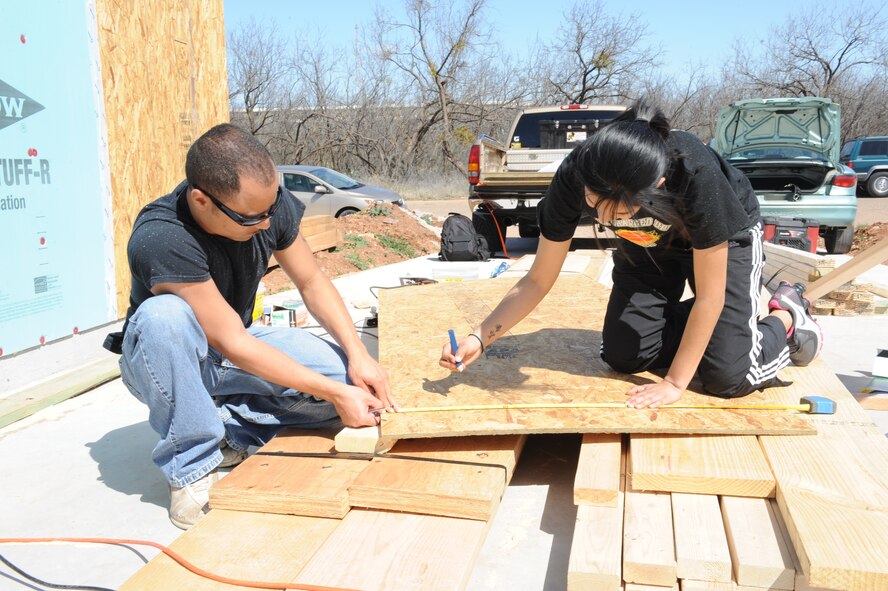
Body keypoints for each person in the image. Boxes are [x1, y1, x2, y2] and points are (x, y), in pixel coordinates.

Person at [440, 100, 822, 408]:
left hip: (723, 237)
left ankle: (786, 316)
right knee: (624, 356)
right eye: (595, 204)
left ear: (655, 185)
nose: (604, 218)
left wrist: (674, 383)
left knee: (728, 378)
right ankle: (723, 328)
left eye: (619, 212)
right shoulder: (575, 175)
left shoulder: (695, 173)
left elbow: (710, 294)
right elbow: (538, 279)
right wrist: (480, 337)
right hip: (649, 244)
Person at [115, 123, 393, 529]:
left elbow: (312, 281)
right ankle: (191, 466)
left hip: (238, 342)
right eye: (251, 218)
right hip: (174, 359)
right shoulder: (161, 236)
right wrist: (334, 391)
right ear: (201, 201)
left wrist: (358, 356)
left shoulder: (265, 204)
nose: (266, 223)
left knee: (355, 395)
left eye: (271, 209)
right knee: (166, 317)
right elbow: (230, 341)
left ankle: (227, 427)